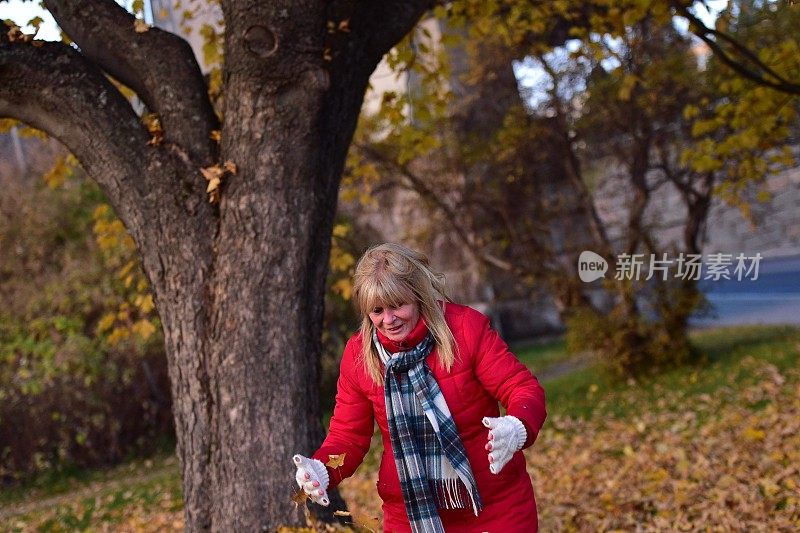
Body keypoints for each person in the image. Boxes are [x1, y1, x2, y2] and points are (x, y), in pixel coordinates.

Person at [292, 243, 547, 532]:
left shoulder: (465, 329)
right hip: (411, 513)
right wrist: (322, 470)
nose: (388, 320)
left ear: (418, 295)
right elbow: (348, 435)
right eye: (377, 310)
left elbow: (522, 388)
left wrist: (517, 426)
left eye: (398, 305)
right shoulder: (359, 356)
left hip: (493, 505)